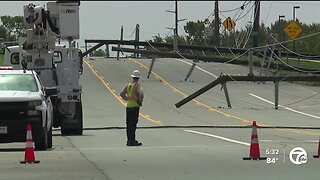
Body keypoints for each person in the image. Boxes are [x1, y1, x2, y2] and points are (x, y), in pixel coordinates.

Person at [120, 69, 144, 146]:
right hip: (135, 106)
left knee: (128, 124)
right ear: (138, 78)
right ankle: (132, 140)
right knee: (133, 124)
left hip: (128, 106)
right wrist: (139, 101)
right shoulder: (137, 86)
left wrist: (127, 99)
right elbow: (141, 95)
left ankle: (129, 140)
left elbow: (122, 94)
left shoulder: (129, 85)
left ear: (133, 77)